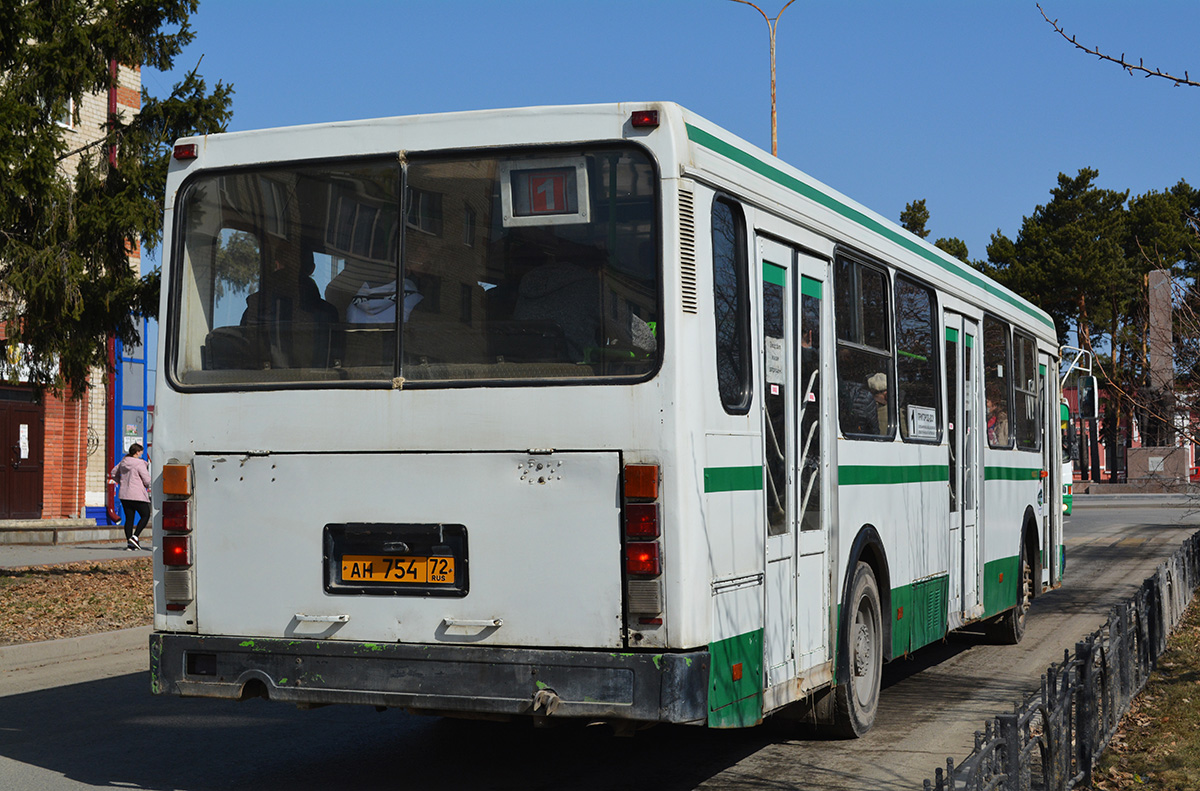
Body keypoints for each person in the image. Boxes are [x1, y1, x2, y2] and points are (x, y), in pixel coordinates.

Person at [109, 443, 151, 551]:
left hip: (124, 495)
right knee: (145, 515)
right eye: (141, 451)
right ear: (137, 452)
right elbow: (146, 479)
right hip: (137, 495)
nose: (141, 453)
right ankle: (135, 537)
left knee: (129, 518)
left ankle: (130, 544)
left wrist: (122, 482)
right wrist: (148, 485)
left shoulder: (124, 462)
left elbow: (113, 473)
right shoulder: (139, 463)